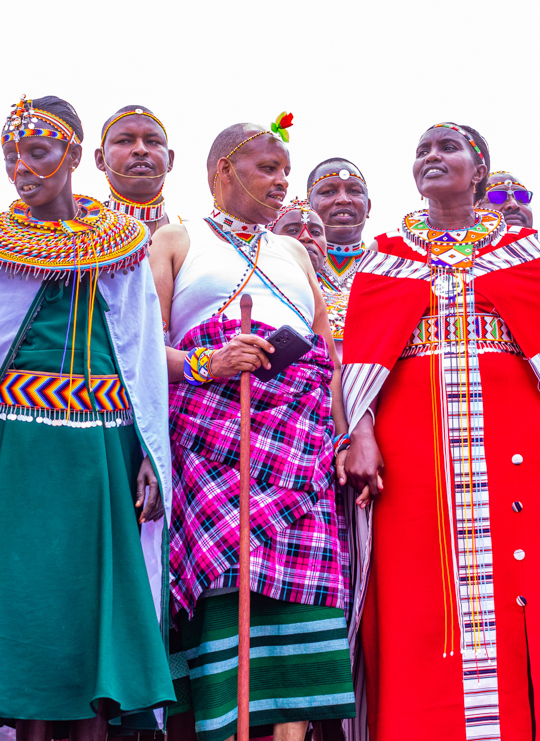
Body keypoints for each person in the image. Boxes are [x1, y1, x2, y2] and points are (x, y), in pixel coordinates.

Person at [342, 121, 540, 741]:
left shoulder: (524, 255)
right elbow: (360, 362)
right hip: (410, 454)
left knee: (527, 589)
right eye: (421, 151)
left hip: (522, 443)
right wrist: (360, 433)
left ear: (479, 168)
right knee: (414, 596)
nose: (432, 158)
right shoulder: (384, 259)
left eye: (447, 148)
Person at [0, 95, 174, 739]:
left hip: (103, 450)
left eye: (37, 153)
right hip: (14, 454)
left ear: (72, 154)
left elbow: (141, 352)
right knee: (24, 619)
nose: (22, 170)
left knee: (93, 627)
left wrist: (149, 452)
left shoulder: (124, 244)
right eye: (12, 158)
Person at [149, 115, 354, 741]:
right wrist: (206, 363)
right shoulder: (173, 240)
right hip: (213, 437)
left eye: (286, 171)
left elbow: (329, 355)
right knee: (223, 588)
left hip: (302, 440)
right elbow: (140, 347)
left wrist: (345, 439)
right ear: (222, 171)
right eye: (269, 168)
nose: (283, 182)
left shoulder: (294, 251)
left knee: (299, 605)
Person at [306, 157, 370, 348]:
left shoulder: (384, 267)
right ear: (308, 208)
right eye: (329, 192)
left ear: (369, 207)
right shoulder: (293, 268)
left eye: (354, 191)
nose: (343, 199)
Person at [95, 105, 173, 235]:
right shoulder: (81, 234)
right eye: (124, 141)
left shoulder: (192, 236)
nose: (141, 150)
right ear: (100, 159)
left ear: (170, 160)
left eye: (153, 141)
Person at [271, 198, 327, 276]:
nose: (306, 237)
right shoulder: (253, 286)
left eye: (316, 232)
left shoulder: (332, 288)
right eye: (292, 231)